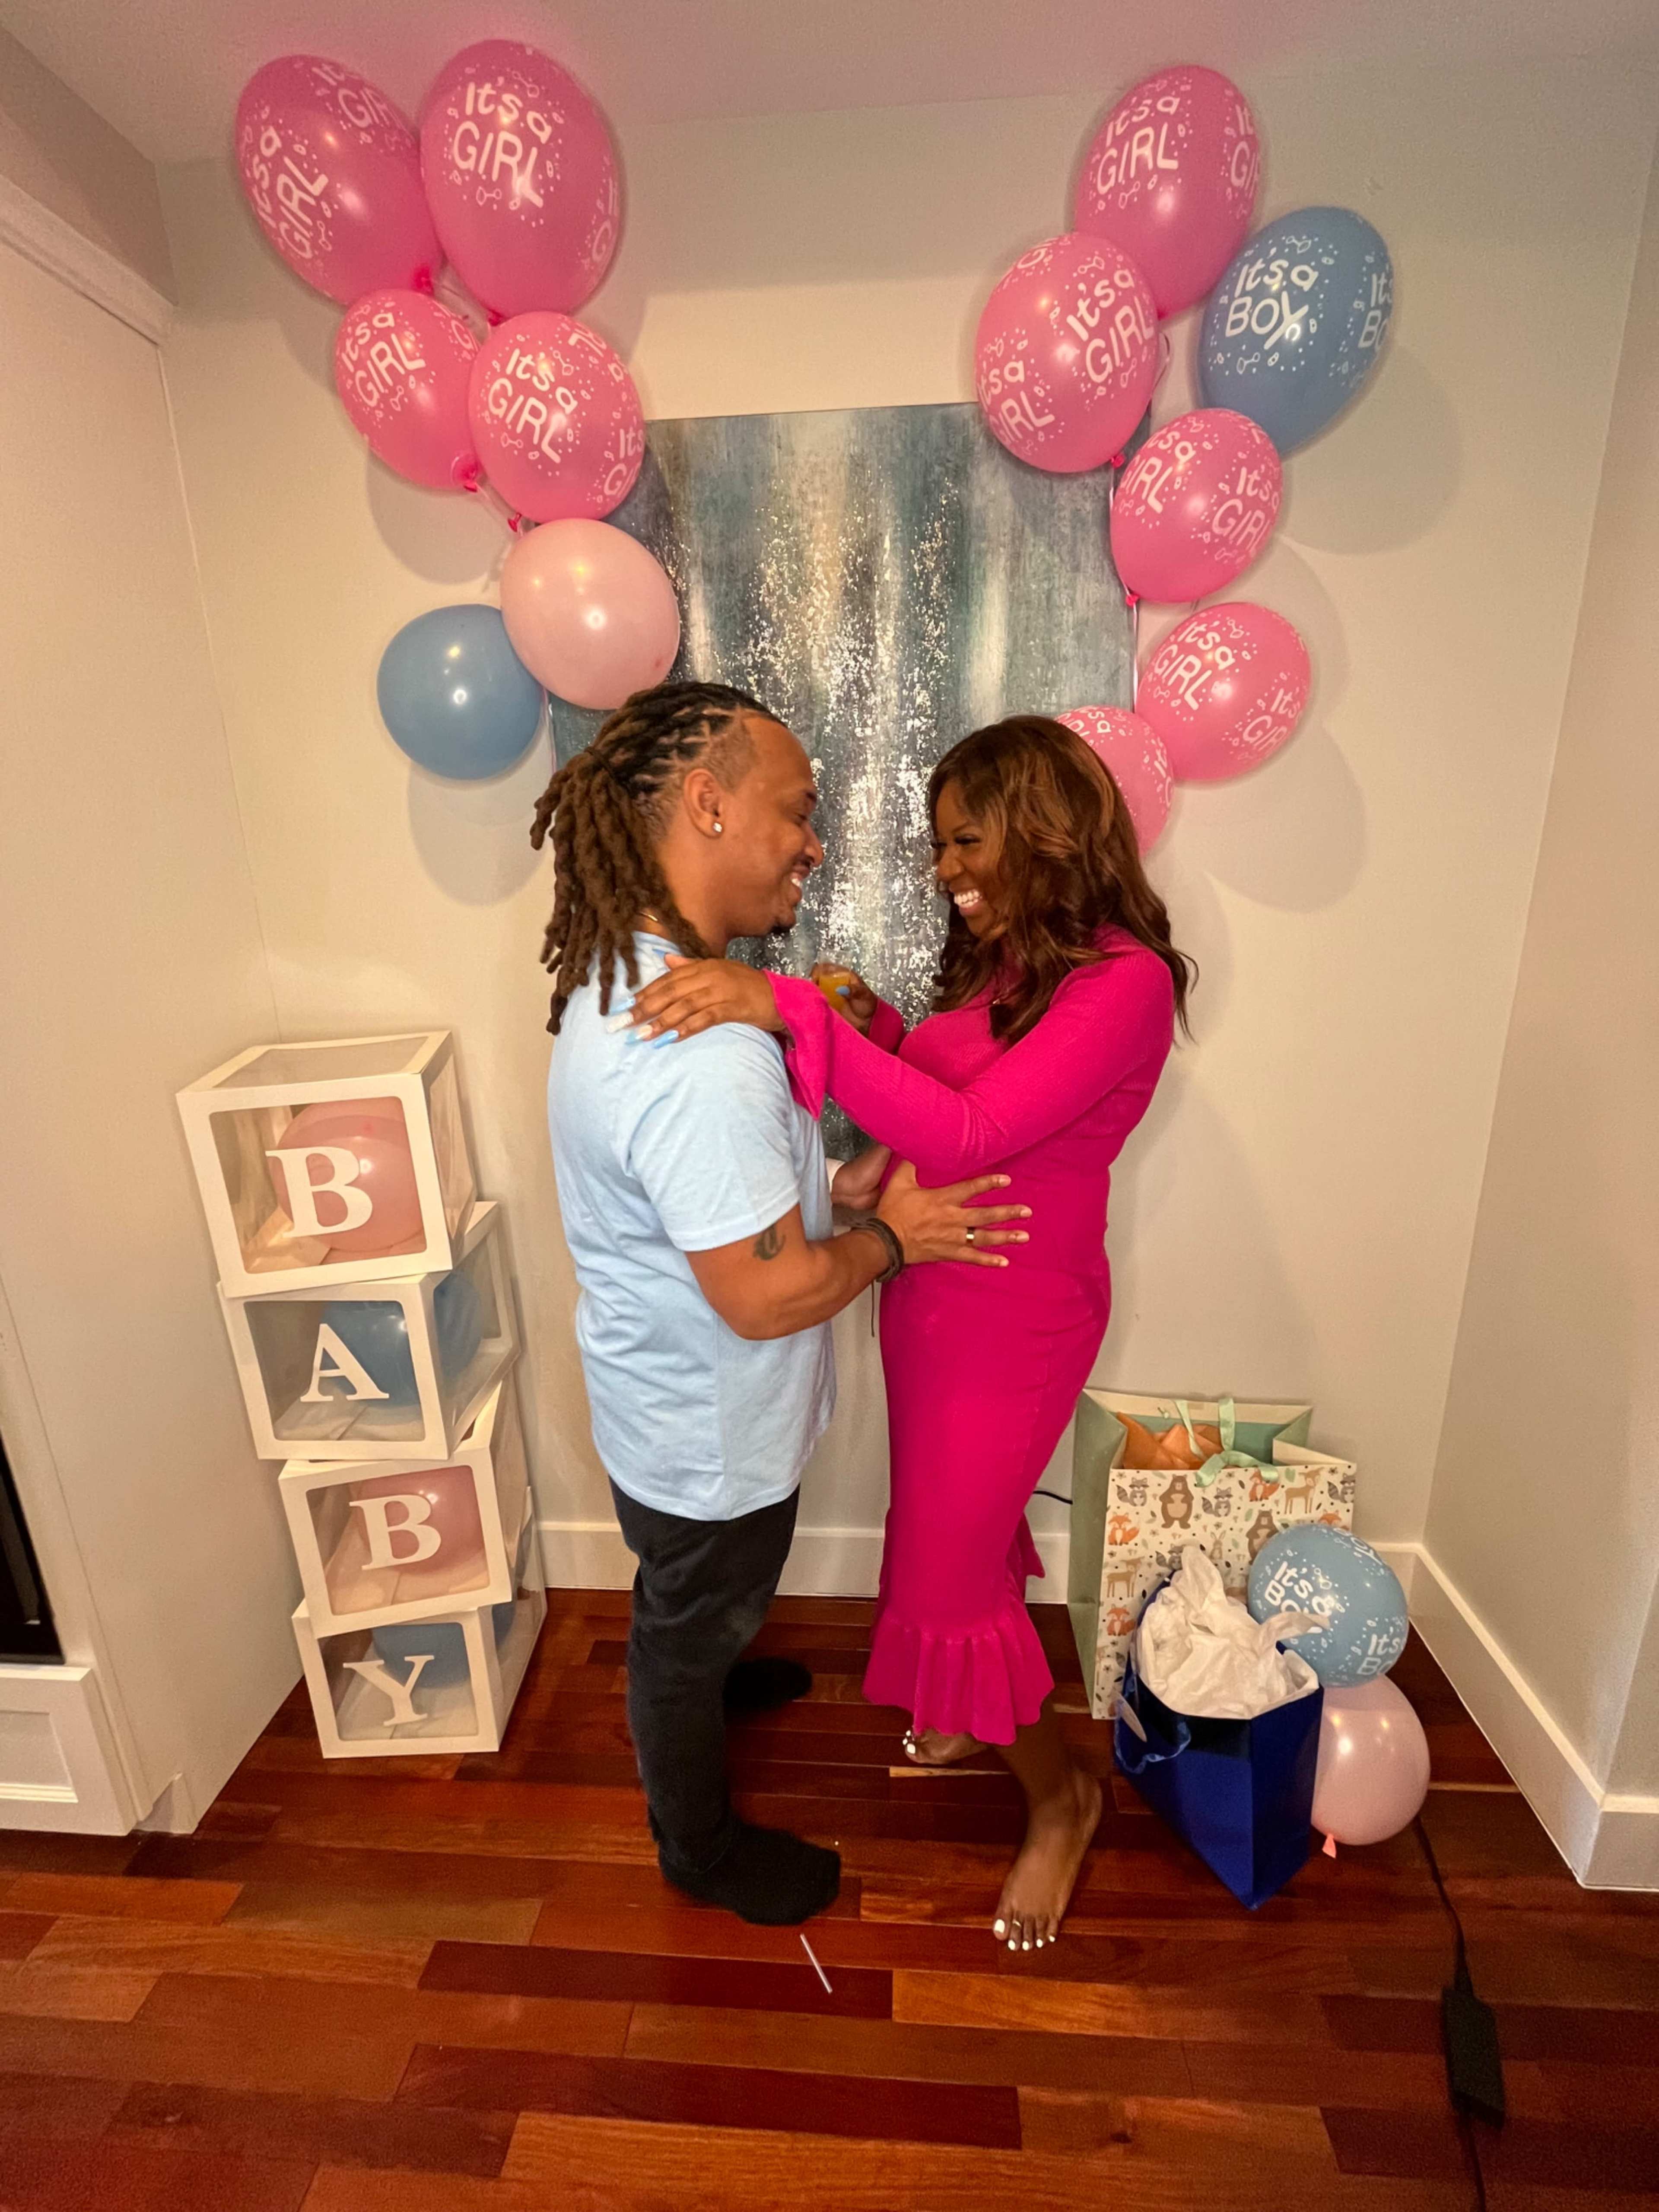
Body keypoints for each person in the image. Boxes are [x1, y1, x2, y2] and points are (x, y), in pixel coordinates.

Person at [628, 714, 1192, 1949]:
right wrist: (873, 1026)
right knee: (953, 1540)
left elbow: (976, 1140)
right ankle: (971, 1704)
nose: (948, 872)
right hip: (934, 1294)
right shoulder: (1014, 969)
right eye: (942, 848)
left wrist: (787, 1011)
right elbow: (958, 1092)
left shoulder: (1124, 983)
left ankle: (1062, 1802)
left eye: (967, 840)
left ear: (1048, 829)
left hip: (1016, 1320)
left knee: (943, 1573)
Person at [531, 680, 1032, 1929]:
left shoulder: (626, 985)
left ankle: (709, 1666)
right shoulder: (701, 1053)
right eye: (797, 811)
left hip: (659, 1405)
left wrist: (833, 1183)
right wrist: (889, 1239)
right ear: (706, 802)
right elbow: (761, 1301)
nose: (816, 843)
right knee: (687, 1619)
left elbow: (716, 1209)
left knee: (694, 1596)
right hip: (706, 1432)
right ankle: (697, 1845)